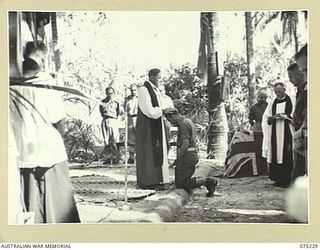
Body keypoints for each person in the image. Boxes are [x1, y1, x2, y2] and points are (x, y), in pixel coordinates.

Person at [10, 41, 80, 223]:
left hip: (21, 146)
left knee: (30, 194)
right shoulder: (45, 81)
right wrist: (60, 137)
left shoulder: (10, 81)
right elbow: (58, 117)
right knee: (57, 199)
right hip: (47, 146)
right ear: (42, 56)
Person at [164, 108, 218, 197]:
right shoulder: (188, 121)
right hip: (192, 154)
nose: (171, 122)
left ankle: (207, 181)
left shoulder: (182, 124)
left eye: (170, 119)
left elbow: (185, 143)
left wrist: (178, 159)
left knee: (181, 183)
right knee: (182, 180)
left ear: (173, 115)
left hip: (187, 156)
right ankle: (205, 181)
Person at [136, 68, 170, 189]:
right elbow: (148, 110)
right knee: (149, 153)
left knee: (157, 152)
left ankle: (158, 179)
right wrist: (162, 111)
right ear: (151, 77)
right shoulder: (144, 90)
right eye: (159, 77)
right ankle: (148, 181)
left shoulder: (156, 90)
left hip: (156, 124)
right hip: (148, 126)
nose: (160, 80)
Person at [262, 82, 294, 187]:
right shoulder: (273, 102)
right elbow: (266, 117)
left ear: (284, 90)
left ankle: (288, 180)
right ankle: (278, 179)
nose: (277, 94)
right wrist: (273, 118)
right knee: (276, 154)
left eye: (279, 91)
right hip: (275, 132)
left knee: (286, 154)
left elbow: (295, 116)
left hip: (287, 131)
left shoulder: (291, 100)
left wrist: (287, 117)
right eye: (276, 92)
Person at [288, 45, 308, 181]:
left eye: (291, 76)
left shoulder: (307, 91)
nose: (290, 80)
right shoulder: (301, 91)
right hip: (301, 138)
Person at [100, 86, 122, 164]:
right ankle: (108, 158)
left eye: (111, 93)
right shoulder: (102, 102)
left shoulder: (116, 103)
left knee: (114, 140)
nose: (110, 95)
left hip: (113, 120)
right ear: (106, 93)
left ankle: (115, 157)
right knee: (106, 140)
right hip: (105, 120)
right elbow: (101, 112)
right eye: (108, 93)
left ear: (114, 93)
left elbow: (119, 112)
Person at [248, 90, 268, 175]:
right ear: (258, 97)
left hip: (267, 129)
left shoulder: (269, 106)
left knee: (267, 149)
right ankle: (259, 170)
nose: (263, 99)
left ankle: (267, 169)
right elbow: (250, 119)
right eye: (261, 97)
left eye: (264, 97)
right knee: (258, 149)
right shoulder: (254, 107)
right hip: (257, 129)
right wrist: (255, 126)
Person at [126, 83, 138, 164]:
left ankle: (140, 155)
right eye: (131, 90)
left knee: (139, 137)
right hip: (130, 118)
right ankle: (131, 157)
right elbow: (125, 110)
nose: (133, 92)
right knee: (131, 138)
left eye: (134, 90)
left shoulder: (140, 98)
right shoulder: (127, 99)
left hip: (138, 118)